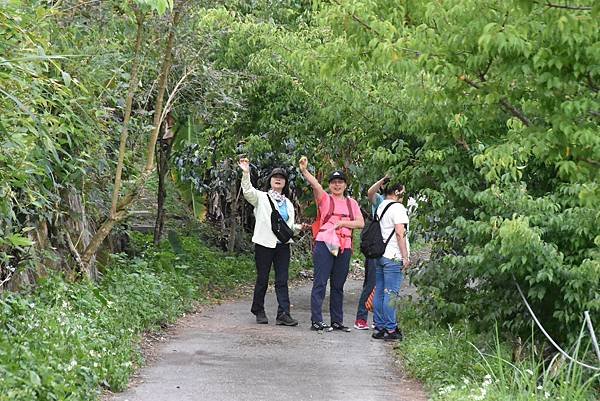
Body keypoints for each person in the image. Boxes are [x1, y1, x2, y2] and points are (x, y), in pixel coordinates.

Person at [298, 156, 365, 332]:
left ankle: (337, 321)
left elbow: (360, 223)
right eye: (334, 182)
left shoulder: (352, 203)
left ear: (345, 185)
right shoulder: (325, 199)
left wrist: (343, 224)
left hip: (344, 245)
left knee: (338, 284)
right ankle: (317, 321)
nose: (337, 185)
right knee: (320, 282)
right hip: (326, 244)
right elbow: (316, 185)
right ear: (330, 185)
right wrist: (305, 170)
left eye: (340, 182)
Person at [239, 157, 299, 326]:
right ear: (270, 181)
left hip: (283, 246)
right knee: (263, 278)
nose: (278, 179)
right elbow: (247, 191)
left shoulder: (288, 203)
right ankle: (258, 310)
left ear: (285, 182)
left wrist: (300, 228)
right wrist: (246, 172)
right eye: (275, 177)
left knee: (282, 280)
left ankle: (284, 314)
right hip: (264, 244)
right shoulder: (261, 197)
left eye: (281, 177)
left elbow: (288, 226)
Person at [371, 182, 410, 341]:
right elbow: (400, 233)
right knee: (391, 293)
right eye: (403, 191)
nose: (404, 194)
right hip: (393, 256)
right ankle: (391, 329)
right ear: (397, 191)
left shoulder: (381, 206)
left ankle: (379, 327)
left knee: (380, 291)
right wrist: (405, 257)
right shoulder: (398, 208)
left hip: (380, 255)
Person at [353, 175, 389, 330]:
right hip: (375, 249)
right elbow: (370, 192)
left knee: (384, 286)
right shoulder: (380, 200)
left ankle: (378, 319)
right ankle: (361, 318)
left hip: (389, 250)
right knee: (371, 284)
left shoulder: (398, 205)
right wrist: (384, 179)